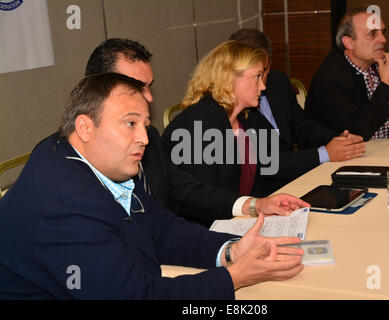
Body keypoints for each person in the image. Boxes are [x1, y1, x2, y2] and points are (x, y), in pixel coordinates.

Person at [0, 73, 304, 299]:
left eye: (144, 126)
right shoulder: (64, 204)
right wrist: (233, 277)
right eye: (130, 123)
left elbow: (159, 228)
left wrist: (230, 251)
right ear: (84, 127)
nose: (145, 139)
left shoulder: (92, 161)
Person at [84, 38, 309, 227]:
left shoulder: (150, 136)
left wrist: (254, 205)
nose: (150, 97)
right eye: (137, 87)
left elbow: (185, 191)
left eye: (149, 86)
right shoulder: (196, 126)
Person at [228, 28, 366, 192]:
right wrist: (324, 154)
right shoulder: (230, 104)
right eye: (252, 75)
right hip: (261, 191)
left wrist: (341, 141)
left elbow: (302, 127)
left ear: (269, 65)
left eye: (261, 72)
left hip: (298, 180)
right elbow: (261, 162)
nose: (260, 84)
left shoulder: (278, 82)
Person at [162, 40, 283, 197]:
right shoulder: (196, 124)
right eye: (257, 77)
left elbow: (270, 166)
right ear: (229, 78)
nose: (263, 86)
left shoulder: (245, 117)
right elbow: (201, 200)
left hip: (242, 214)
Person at [304, 7, 389, 141]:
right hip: (351, 157)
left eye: (383, 32)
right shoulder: (328, 79)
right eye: (373, 34)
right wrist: (387, 86)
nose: (383, 39)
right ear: (349, 42)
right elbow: (358, 132)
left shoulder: (380, 63)